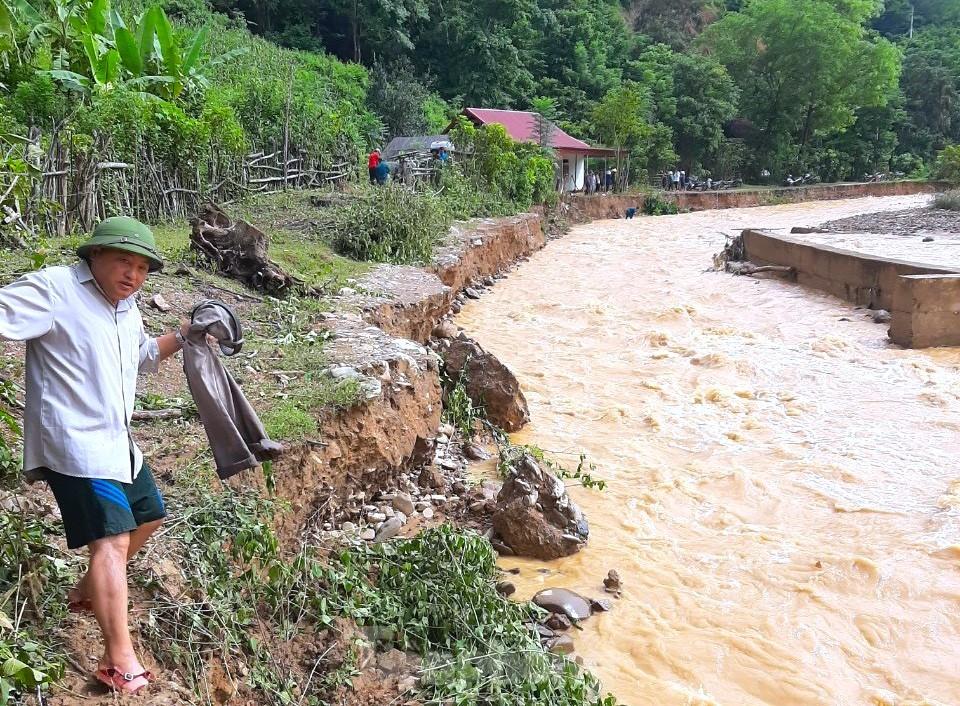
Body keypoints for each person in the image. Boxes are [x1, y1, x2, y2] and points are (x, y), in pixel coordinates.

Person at [0, 217, 187, 695]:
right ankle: (118, 659)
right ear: (94, 256)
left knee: (149, 514)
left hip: (116, 442)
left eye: (143, 267)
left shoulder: (126, 307)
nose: (133, 275)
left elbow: (141, 355)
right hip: (74, 442)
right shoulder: (55, 289)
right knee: (112, 541)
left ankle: (88, 589)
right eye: (124, 261)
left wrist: (185, 336)